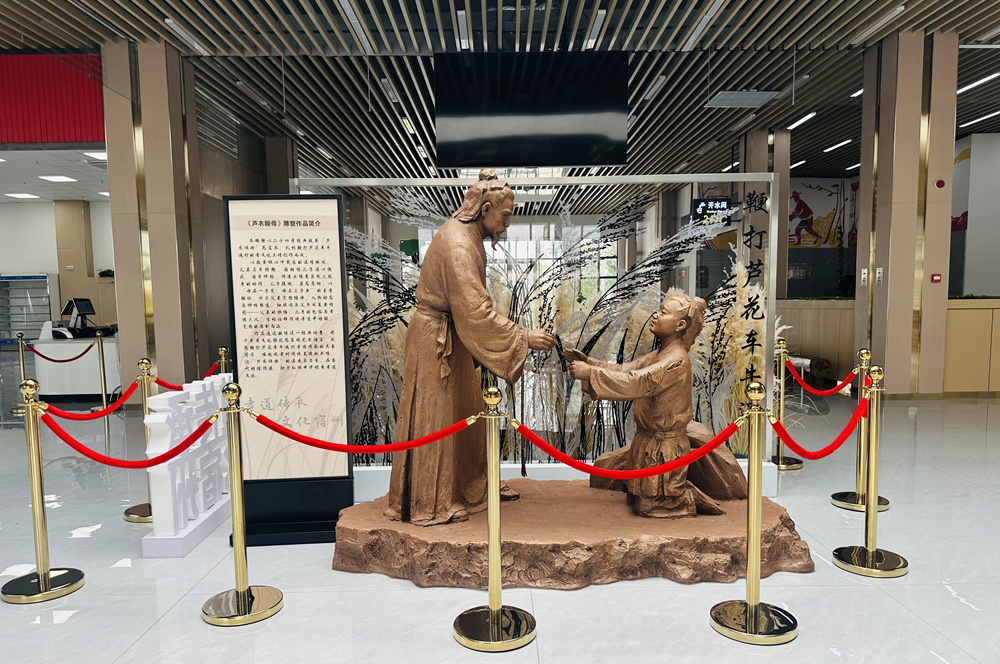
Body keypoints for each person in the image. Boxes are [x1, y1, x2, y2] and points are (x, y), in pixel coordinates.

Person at [385, 169, 557, 526]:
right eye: (505, 216)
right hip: (436, 340)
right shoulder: (458, 243)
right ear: (485, 209)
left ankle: (473, 486)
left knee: (468, 414)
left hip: (452, 334)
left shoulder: (468, 234)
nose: (507, 224)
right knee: (437, 418)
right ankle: (432, 504)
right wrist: (523, 337)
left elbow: (470, 310)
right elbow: (475, 312)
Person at [565, 294, 722, 518]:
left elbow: (637, 382)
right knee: (638, 500)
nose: (655, 316)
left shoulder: (675, 360)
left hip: (664, 447)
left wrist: (590, 373)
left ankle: (686, 500)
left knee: (651, 507)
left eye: (663, 313)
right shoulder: (659, 355)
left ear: (680, 325)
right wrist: (589, 363)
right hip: (647, 441)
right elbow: (625, 370)